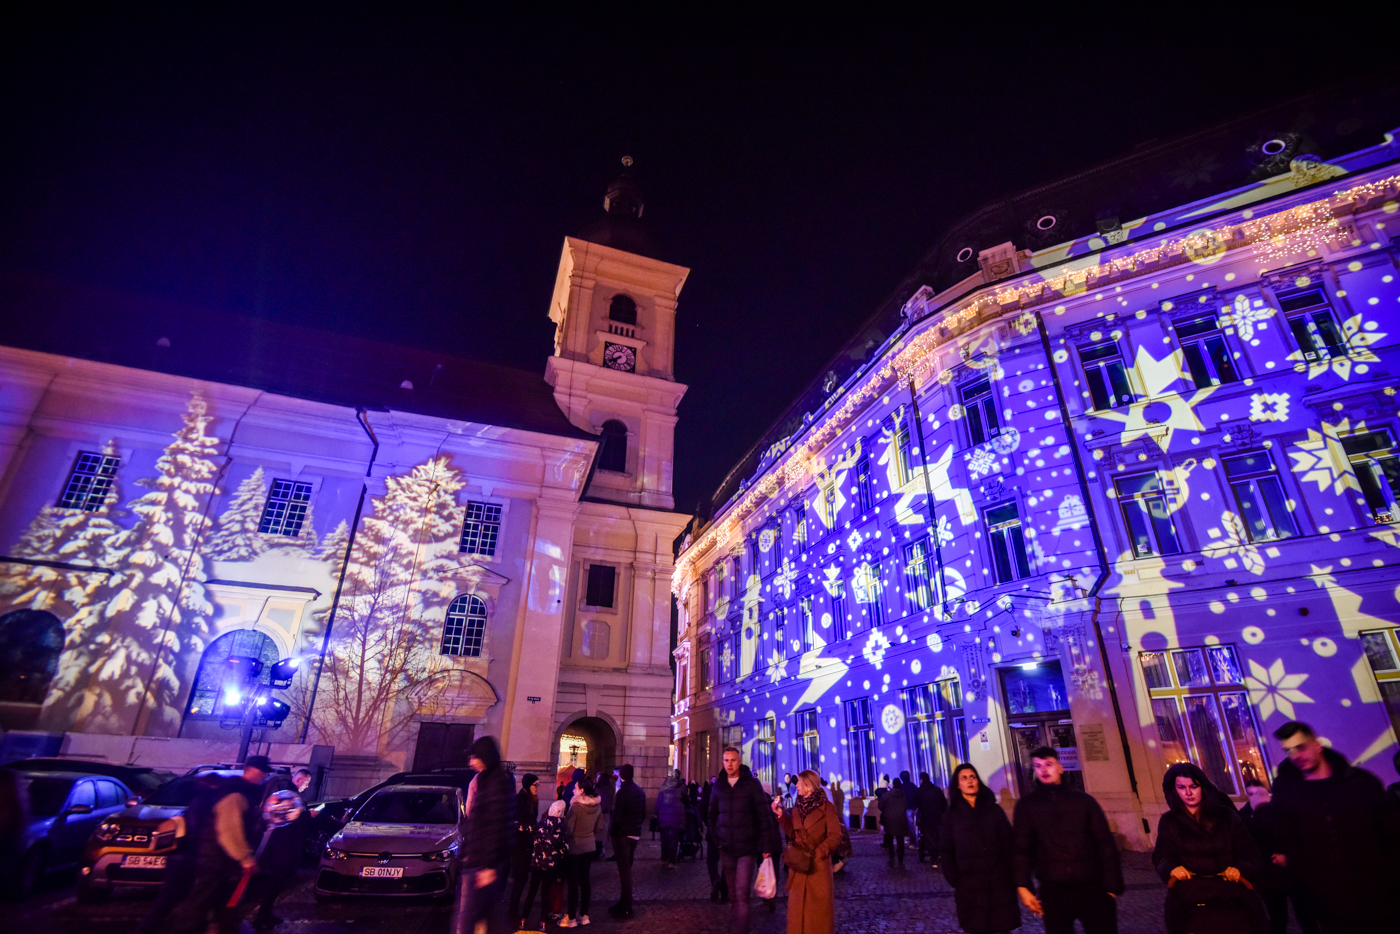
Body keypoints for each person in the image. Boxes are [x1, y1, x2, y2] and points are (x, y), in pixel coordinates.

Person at [1267, 720, 1400, 934]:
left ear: (1317, 745)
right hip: (1330, 907)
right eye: (1288, 750)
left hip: (1382, 899)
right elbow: (1289, 843)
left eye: (1300, 747)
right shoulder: (1287, 795)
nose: (1296, 756)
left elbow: (1391, 835)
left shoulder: (1360, 784)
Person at [1012, 746, 1122, 934]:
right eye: (1038, 766)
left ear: (1060, 767)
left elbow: (1104, 843)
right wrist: (1023, 886)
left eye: (1049, 764)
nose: (1044, 770)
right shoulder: (1027, 805)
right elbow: (1022, 849)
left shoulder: (1083, 801)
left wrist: (1111, 887)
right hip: (1054, 889)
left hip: (1091, 885)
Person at [1152, 762, 1267, 934]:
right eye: (1181, 787)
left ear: (1203, 787)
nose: (1188, 793)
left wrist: (1239, 869)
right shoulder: (1170, 821)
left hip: (1229, 888)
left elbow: (1249, 851)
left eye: (1193, 786)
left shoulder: (1226, 816)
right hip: (1191, 891)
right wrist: (1171, 868)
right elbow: (1163, 854)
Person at [168, 756, 269, 934]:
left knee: (219, 909)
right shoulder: (237, 793)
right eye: (263, 771)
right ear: (253, 770)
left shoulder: (235, 789)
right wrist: (245, 858)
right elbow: (229, 829)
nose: (265, 775)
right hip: (215, 861)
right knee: (198, 908)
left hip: (218, 860)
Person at [939, 763, 1019, 934]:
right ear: (958, 784)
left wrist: (1010, 876)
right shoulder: (951, 815)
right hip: (970, 889)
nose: (969, 781)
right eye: (964, 778)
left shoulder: (994, 810)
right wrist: (956, 880)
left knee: (1001, 928)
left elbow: (1009, 844)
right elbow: (946, 851)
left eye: (972, 777)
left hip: (999, 885)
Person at [708, 745, 780, 934]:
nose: (729, 764)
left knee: (741, 894)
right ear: (722, 762)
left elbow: (764, 816)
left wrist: (766, 846)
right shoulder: (719, 786)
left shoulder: (751, 784)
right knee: (733, 895)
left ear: (739, 762)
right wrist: (717, 840)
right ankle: (736, 927)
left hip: (747, 848)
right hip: (726, 848)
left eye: (733, 760)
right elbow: (711, 815)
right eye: (726, 760)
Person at [1238, 780, 1319, 934]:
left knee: (1305, 916)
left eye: (1258, 793)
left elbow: (1292, 836)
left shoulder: (1279, 811)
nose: (1255, 797)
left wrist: (1288, 856)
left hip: (1289, 871)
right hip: (1268, 876)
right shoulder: (1244, 816)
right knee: (1278, 918)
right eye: (1251, 794)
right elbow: (1252, 842)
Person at [770, 769, 841, 934]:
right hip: (799, 867)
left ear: (809, 786)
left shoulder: (827, 808)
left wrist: (819, 851)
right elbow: (793, 833)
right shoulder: (798, 807)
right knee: (797, 916)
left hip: (817, 867)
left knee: (817, 918)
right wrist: (781, 815)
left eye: (799, 782)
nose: (796, 785)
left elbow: (835, 835)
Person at [461, 736, 513, 934]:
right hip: (478, 860)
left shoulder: (497, 781)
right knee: (488, 918)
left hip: (483, 864)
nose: (470, 762)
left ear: (485, 756)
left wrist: (489, 865)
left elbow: (496, 824)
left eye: (475, 756)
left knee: (469, 920)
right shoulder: (485, 779)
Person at [518, 799, 568, 930]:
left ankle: (523, 919)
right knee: (545, 894)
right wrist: (556, 855)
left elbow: (526, 829)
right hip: (550, 866)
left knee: (531, 891)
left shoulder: (541, 824)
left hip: (537, 863)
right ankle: (543, 922)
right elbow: (565, 848)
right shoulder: (562, 828)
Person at [560, 778, 601, 927]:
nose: (573, 790)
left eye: (576, 788)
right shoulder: (597, 806)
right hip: (589, 847)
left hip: (575, 848)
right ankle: (584, 914)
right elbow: (600, 826)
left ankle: (571, 917)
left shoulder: (575, 807)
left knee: (573, 883)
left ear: (582, 790)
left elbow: (568, 830)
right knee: (585, 881)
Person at [608, 763, 646, 919]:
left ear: (622, 776)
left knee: (624, 873)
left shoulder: (622, 793)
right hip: (635, 834)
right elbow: (643, 814)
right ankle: (623, 902)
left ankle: (626, 906)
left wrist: (612, 833)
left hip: (623, 835)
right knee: (626, 870)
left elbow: (617, 817)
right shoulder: (640, 791)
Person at [506, 773, 540, 927]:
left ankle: (515, 909)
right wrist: (531, 828)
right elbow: (515, 822)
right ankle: (512, 911)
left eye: (539, 784)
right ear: (527, 785)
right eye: (535, 785)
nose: (538, 788)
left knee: (522, 878)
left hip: (527, 844)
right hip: (518, 844)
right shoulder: (520, 799)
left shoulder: (533, 800)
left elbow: (532, 819)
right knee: (520, 878)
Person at [700, 775, 729, 903]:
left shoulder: (712, 788)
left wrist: (708, 823)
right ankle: (724, 891)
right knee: (727, 862)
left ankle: (715, 880)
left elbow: (702, 808)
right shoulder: (731, 789)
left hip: (713, 832)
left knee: (711, 860)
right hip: (727, 831)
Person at [657, 770, 687, 869]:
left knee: (664, 839)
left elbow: (658, 802)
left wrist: (657, 813)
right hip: (676, 817)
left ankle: (664, 859)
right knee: (674, 840)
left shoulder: (663, 786)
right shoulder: (682, 788)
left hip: (663, 816)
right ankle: (672, 862)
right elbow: (687, 801)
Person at [916, 771, 948, 866]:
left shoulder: (919, 791)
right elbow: (944, 804)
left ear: (921, 780)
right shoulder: (937, 790)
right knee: (938, 836)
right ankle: (939, 854)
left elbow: (917, 804)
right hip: (938, 817)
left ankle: (933, 857)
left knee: (928, 837)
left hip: (926, 818)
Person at [882, 777, 910, 866]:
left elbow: (881, 805)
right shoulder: (904, 795)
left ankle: (891, 857)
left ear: (893, 785)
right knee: (900, 840)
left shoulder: (887, 795)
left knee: (890, 839)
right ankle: (901, 859)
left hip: (890, 820)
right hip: (901, 819)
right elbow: (906, 805)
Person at [595, 770, 616, 858]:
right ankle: (600, 851)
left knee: (596, 831)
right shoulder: (610, 790)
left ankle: (596, 851)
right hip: (606, 813)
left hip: (597, 812)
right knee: (603, 833)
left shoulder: (596, 789)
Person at [899, 771, 920, 850]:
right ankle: (915, 841)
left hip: (908, 807)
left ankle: (914, 842)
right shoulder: (913, 786)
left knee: (911, 826)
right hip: (915, 807)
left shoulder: (902, 787)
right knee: (915, 826)